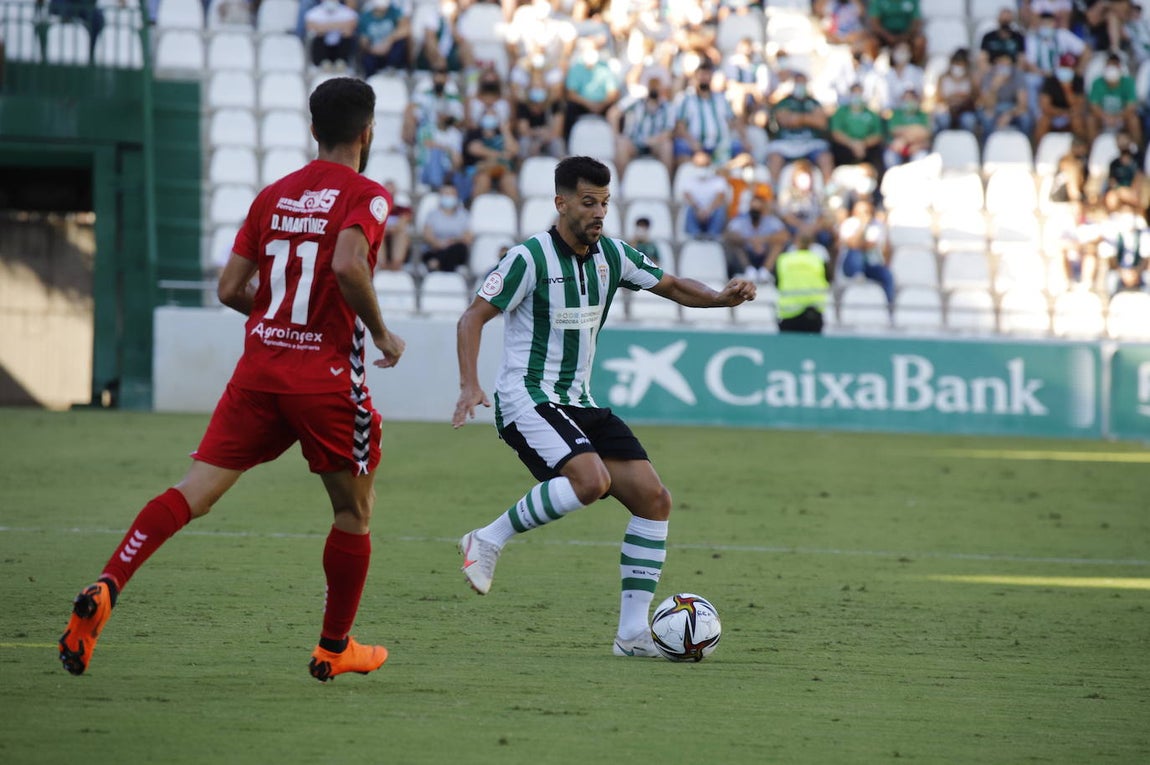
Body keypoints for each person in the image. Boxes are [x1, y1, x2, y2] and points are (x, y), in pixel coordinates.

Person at [57, 78, 406, 682]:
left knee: (194, 489)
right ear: (367, 132)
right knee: (354, 511)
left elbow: (227, 289)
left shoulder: (273, 195)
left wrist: (275, 319)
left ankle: (110, 582)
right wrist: (380, 332)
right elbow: (350, 264)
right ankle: (333, 647)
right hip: (322, 379)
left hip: (259, 372)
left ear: (313, 129)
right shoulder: (368, 195)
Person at [450, 156, 756, 657]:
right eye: (589, 202)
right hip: (529, 397)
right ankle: (485, 539)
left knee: (654, 500)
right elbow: (472, 318)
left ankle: (632, 635)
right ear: (561, 203)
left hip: (581, 402)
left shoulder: (613, 256)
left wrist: (722, 298)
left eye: (605, 203)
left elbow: (675, 286)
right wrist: (469, 384)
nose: (599, 212)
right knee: (591, 482)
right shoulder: (528, 259)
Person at [837, 197, 896, 306]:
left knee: (887, 275)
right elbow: (853, 244)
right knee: (856, 254)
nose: (864, 215)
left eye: (866, 212)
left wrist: (861, 244)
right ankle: (858, 278)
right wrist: (862, 227)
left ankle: (889, 306)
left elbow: (872, 245)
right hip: (851, 265)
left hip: (871, 265)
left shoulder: (877, 226)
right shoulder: (849, 224)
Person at [723, 194, 790, 281]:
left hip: (765, 254)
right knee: (735, 244)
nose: (755, 212)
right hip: (747, 255)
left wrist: (762, 240)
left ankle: (765, 271)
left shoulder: (771, 220)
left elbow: (785, 236)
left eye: (758, 209)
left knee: (778, 244)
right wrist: (749, 241)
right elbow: (728, 234)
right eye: (753, 209)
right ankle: (749, 270)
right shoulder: (742, 220)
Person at [774, 231, 831, 333]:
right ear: (811, 244)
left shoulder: (784, 260)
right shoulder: (818, 260)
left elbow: (777, 283)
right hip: (813, 311)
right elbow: (829, 279)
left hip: (788, 312)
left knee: (788, 347)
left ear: (796, 243)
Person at [419, 182, 473, 273]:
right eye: (446, 194)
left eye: (451, 194)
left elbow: (468, 238)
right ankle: (442, 265)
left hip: (455, 249)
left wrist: (451, 242)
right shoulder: (432, 214)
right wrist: (440, 244)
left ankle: (436, 263)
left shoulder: (463, 215)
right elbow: (427, 235)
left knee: (458, 248)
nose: (449, 197)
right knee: (445, 254)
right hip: (436, 248)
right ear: (441, 196)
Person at [357, 0, 410, 78]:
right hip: (374, 50)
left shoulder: (394, 11)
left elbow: (406, 29)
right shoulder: (365, 17)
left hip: (390, 49)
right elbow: (363, 41)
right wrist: (372, 49)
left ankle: (394, 70)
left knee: (400, 44)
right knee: (367, 59)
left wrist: (389, 41)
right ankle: (370, 78)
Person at [305, 0, 359, 70]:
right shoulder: (314, 12)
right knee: (319, 35)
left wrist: (324, 26)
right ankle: (322, 63)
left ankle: (342, 62)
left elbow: (351, 26)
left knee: (347, 34)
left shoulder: (347, 11)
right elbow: (311, 27)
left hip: (339, 46)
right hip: (323, 47)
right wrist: (339, 26)